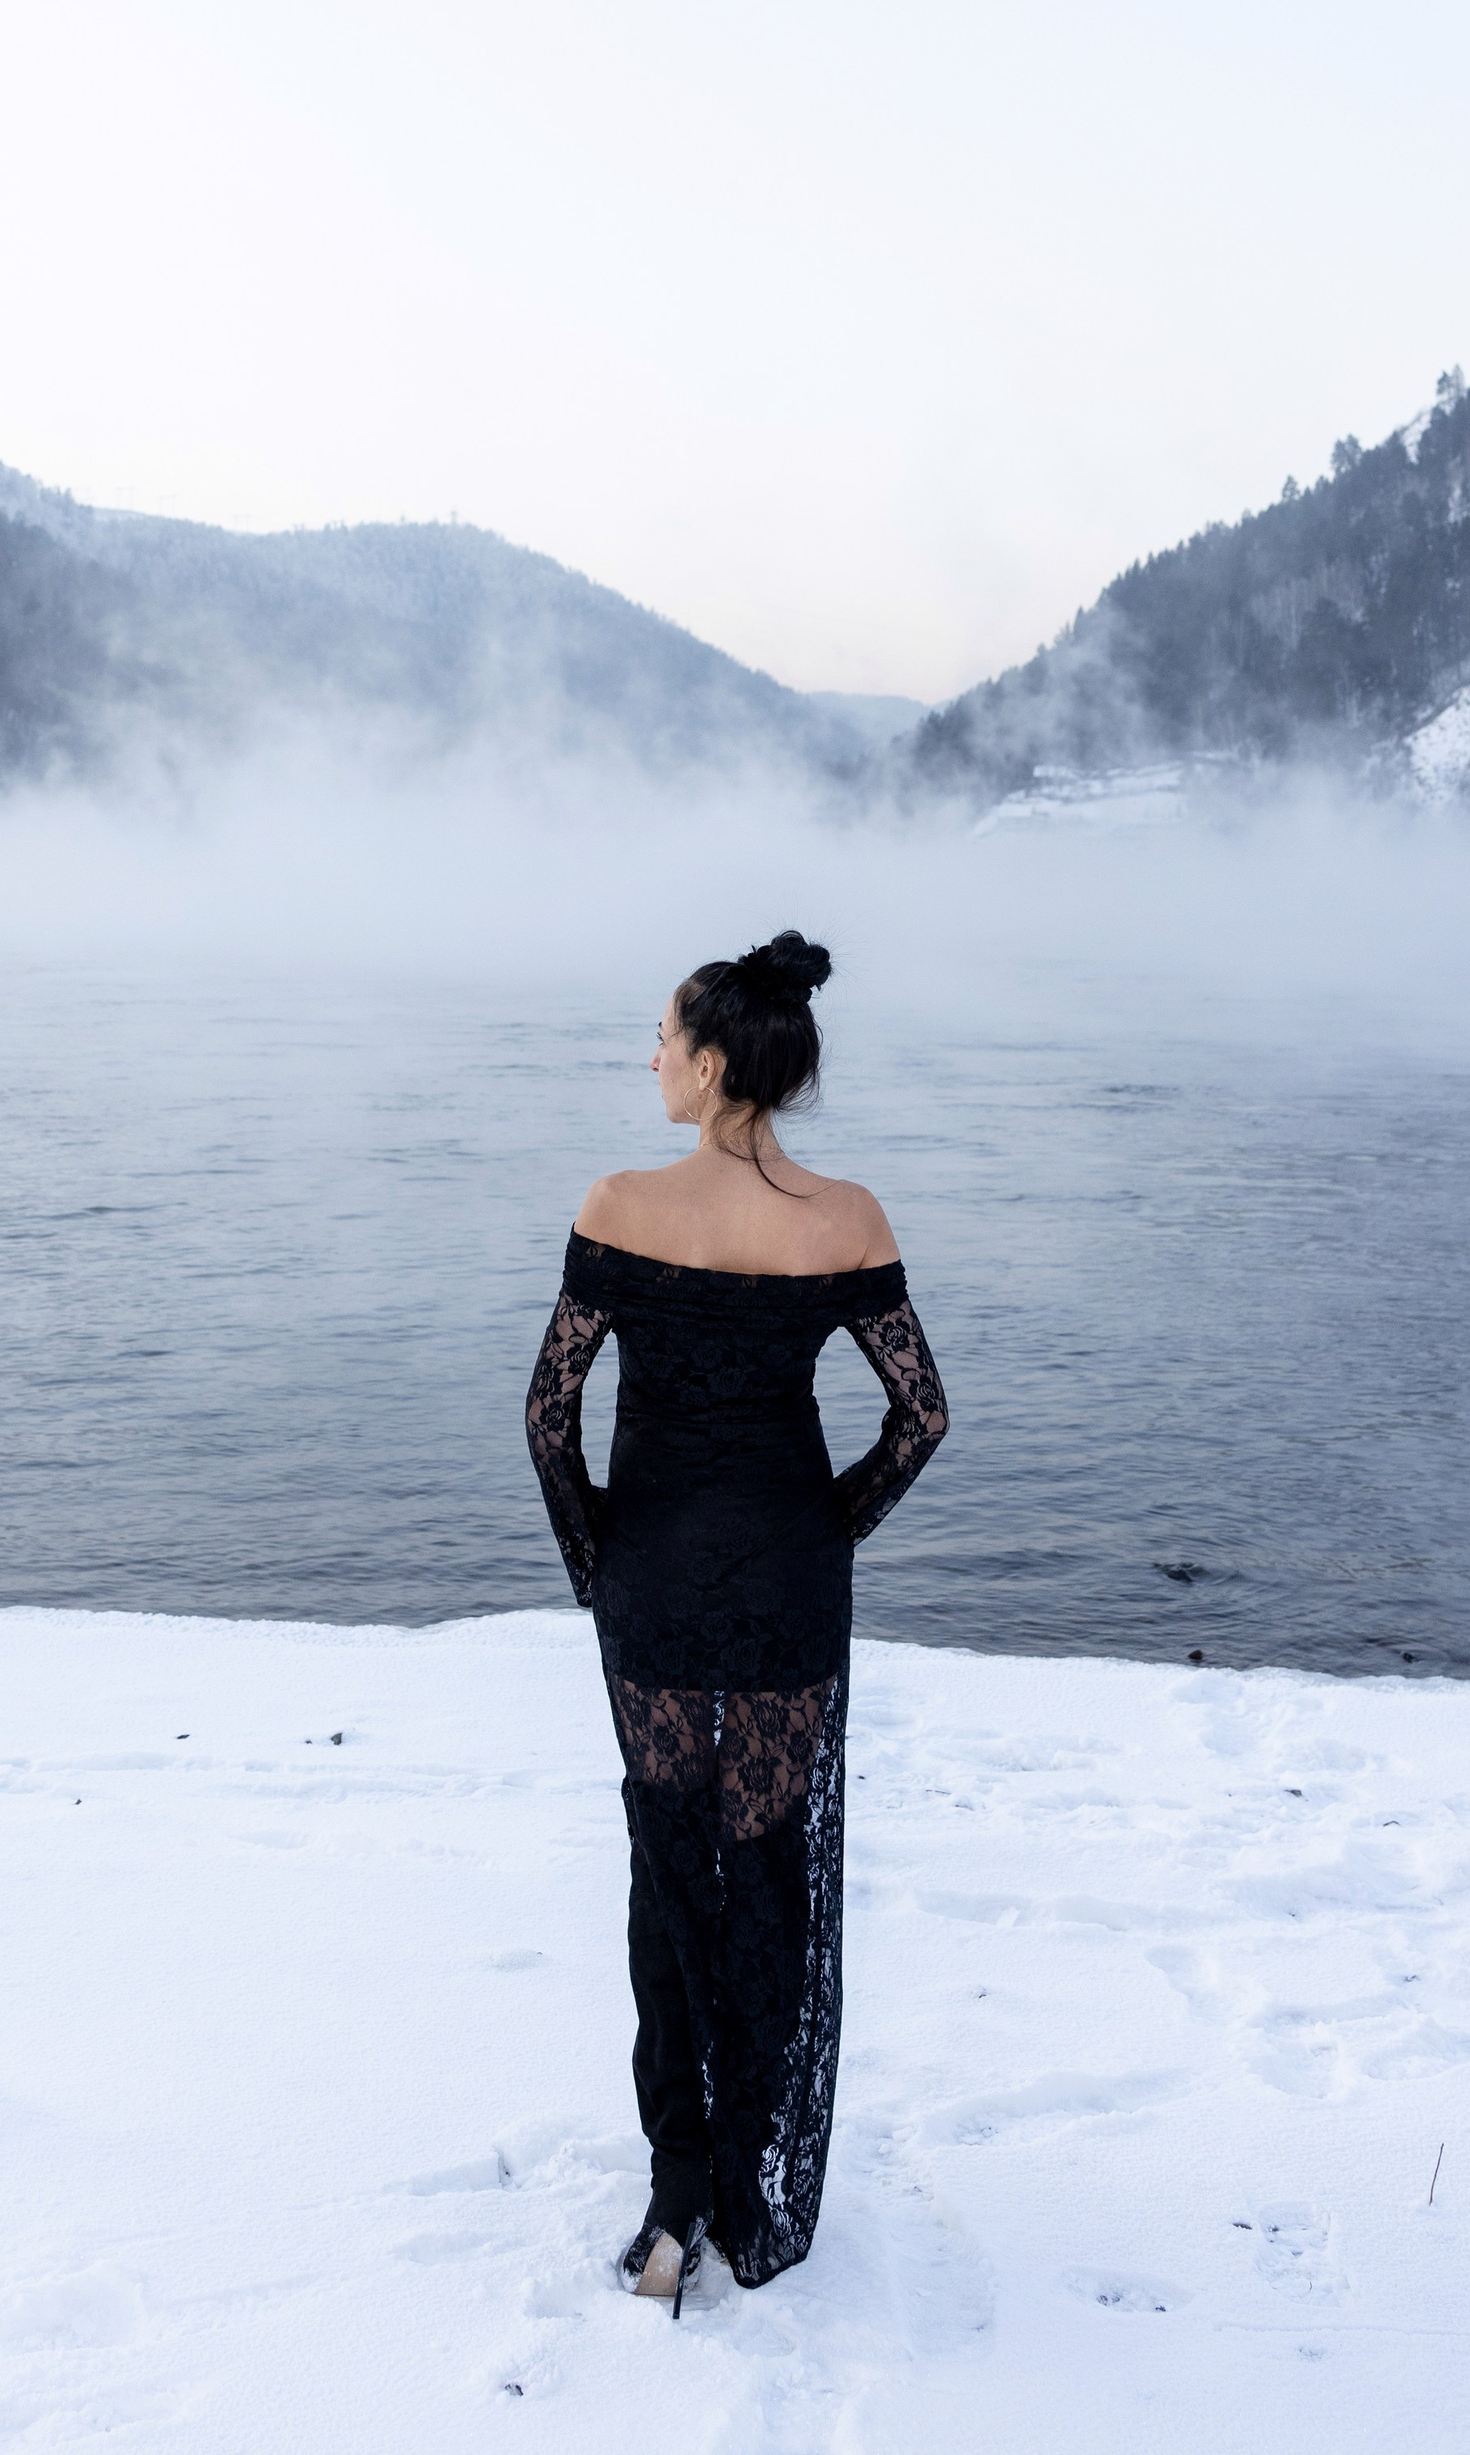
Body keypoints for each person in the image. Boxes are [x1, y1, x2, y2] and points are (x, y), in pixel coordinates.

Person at [524, 930, 949, 2315]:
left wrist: (601, 1558)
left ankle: (671, 2207)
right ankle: (755, 2184)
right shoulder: (851, 1219)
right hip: (785, 1578)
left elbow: (548, 1417)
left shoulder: (617, 1203)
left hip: (652, 1575)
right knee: (765, 1873)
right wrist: (829, 1526)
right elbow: (920, 1418)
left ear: (711, 1066)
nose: (649, 1058)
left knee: (668, 1876)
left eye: (662, 1039)